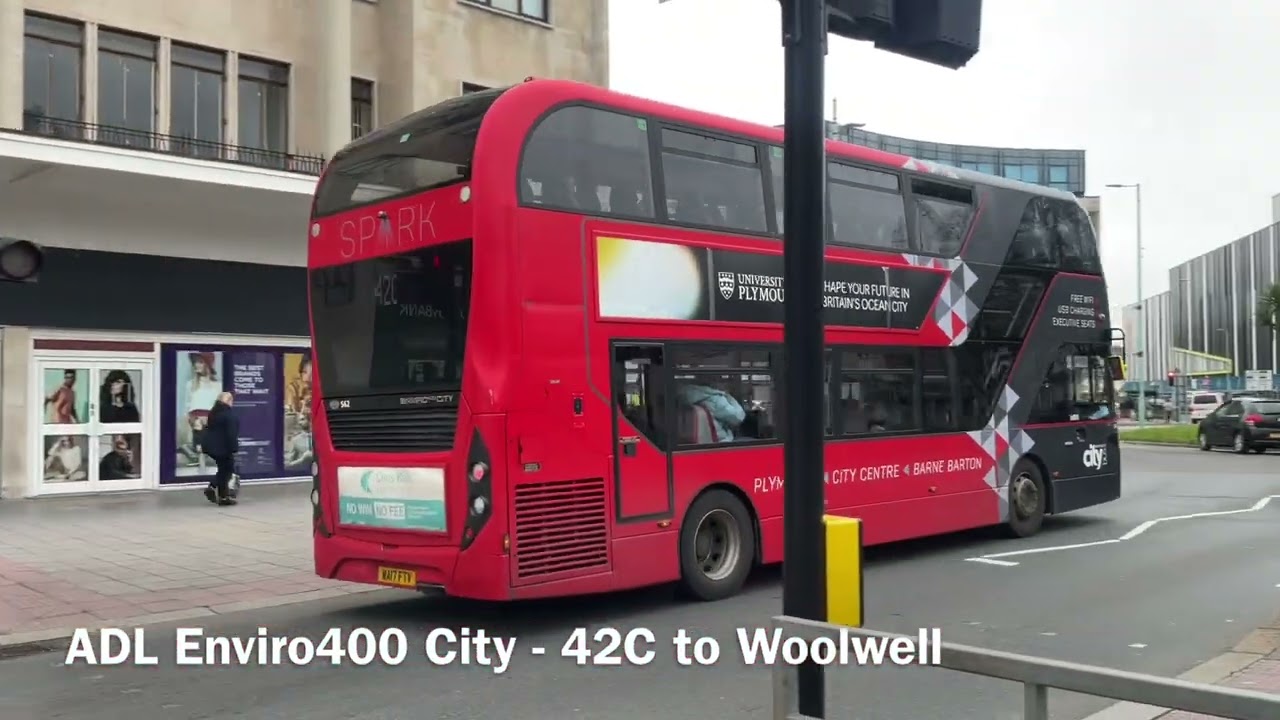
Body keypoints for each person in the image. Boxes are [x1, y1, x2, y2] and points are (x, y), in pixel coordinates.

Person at [201, 392, 240, 506]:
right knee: (227, 470)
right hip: (223, 447)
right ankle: (212, 488)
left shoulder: (214, 413)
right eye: (231, 401)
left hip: (212, 447)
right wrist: (234, 448)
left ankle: (223, 497)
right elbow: (231, 434)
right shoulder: (228, 415)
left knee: (223, 469)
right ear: (228, 401)